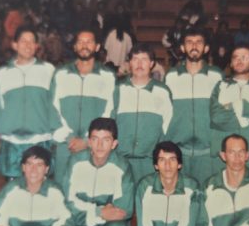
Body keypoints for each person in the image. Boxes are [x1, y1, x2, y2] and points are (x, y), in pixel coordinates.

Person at [0, 25, 59, 179]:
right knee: (13, 188)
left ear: (37, 46)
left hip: (40, 140)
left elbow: (55, 104)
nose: (28, 45)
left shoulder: (48, 70)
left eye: (32, 41)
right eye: (23, 41)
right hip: (12, 142)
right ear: (14, 45)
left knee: (39, 187)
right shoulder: (2, 73)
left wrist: (55, 134)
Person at [51, 29, 116, 180]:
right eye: (80, 42)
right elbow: (52, 109)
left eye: (89, 42)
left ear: (97, 47)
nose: (84, 45)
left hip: (95, 147)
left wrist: (88, 141)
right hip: (65, 146)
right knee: (62, 189)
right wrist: (68, 137)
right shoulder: (60, 74)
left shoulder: (108, 76)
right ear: (74, 47)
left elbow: (110, 111)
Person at [164, 27, 223, 185]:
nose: (194, 46)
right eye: (189, 42)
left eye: (199, 42)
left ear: (206, 48)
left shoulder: (217, 76)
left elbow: (224, 114)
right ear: (183, 48)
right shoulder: (171, 76)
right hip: (179, 153)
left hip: (208, 154)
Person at [114, 43, 173, 183]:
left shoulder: (162, 91)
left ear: (152, 64)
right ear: (129, 63)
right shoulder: (117, 89)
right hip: (120, 161)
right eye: (135, 59)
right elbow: (109, 124)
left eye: (144, 59)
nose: (139, 64)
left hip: (149, 163)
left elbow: (168, 127)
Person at [210, 45, 249, 176]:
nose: (239, 61)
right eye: (236, 58)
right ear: (231, 63)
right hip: (225, 158)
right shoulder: (221, 86)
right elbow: (217, 117)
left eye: (244, 57)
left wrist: (231, 106)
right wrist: (248, 112)